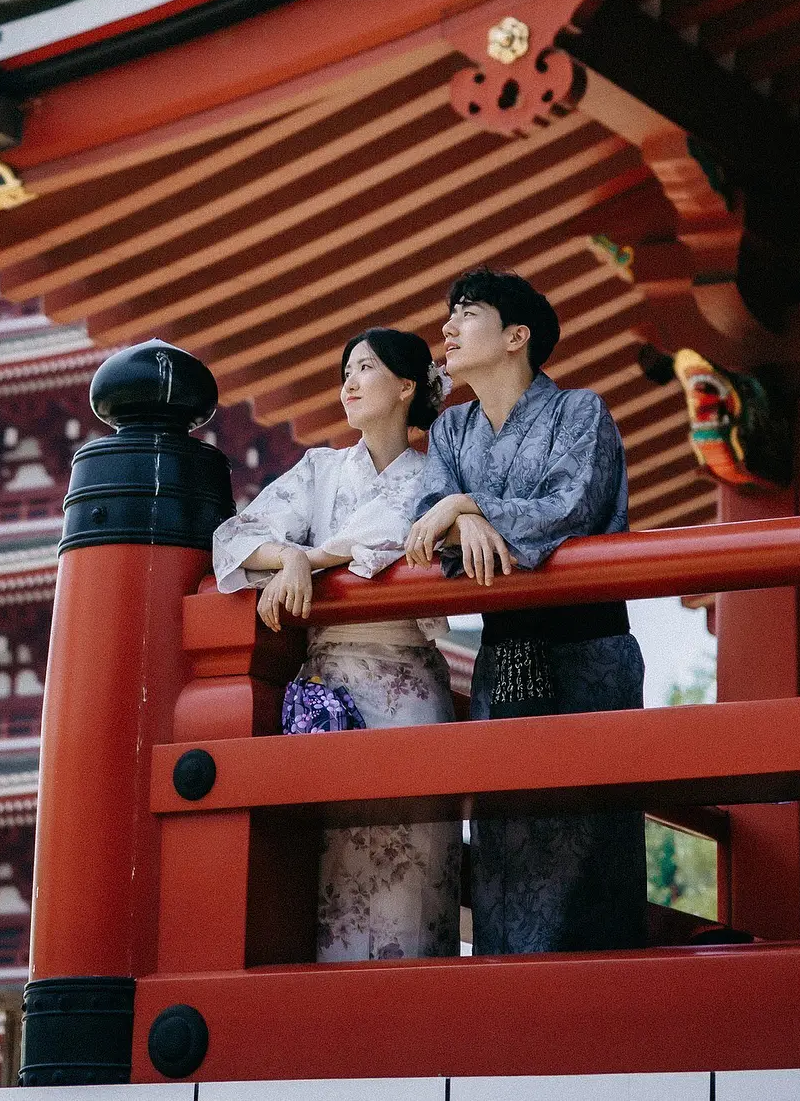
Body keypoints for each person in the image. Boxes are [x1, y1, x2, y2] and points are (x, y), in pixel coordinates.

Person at [403, 266, 647, 955]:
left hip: (586, 653)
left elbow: (570, 508)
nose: (447, 328)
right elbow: (427, 524)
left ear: (517, 335)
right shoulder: (451, 432)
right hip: (502, 660)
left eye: (466, 313)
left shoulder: (582, 413)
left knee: (588, 838)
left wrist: (467, 506)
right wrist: (455, 512)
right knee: (506, 840)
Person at [213, 328, 461, 962]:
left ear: (407, 386)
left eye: (366, 369)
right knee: (334, 876)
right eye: (345, 371)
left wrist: (310, 558)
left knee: (413, 882)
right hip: (329, 697)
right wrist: (292, 555)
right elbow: (236, 538)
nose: (348, 383)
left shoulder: (438, 475)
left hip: (407, 690)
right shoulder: (320, 470)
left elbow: (399, 545)